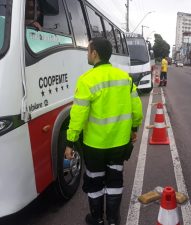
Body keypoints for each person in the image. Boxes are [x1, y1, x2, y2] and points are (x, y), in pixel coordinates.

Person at [65, 38, 143, 225]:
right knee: (115, 179)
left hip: (94, 145)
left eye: (88, 51)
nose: (87, 54)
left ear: (94, 54)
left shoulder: (87, 80)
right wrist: (134, 128)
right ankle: (114, 220)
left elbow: (78, 115)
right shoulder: (125, 78)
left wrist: (70, 141)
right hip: (120, 143)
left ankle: (97, 219)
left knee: (94, 180)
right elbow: (137, 110)